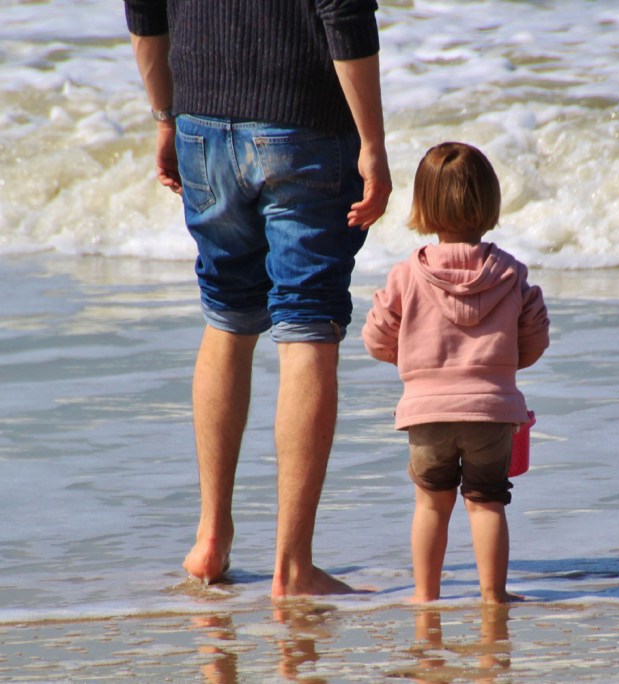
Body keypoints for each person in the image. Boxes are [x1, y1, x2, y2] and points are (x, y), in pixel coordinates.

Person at [123, 0, 392, 597]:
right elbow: (343, 10)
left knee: (226, 316)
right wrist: (372, 140)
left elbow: (143, 9)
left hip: (201, 119)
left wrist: (165, 116)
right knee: (307, 325)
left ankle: (210, 540)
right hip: (303, 121)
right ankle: (293, 567)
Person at [362, 142, 549, 604]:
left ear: (422, 205)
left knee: (431, 502)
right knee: (487, 502)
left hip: (425, 412)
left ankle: (425, 595)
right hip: (492, 409)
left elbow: (376, 337)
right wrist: (502, 368)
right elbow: (534, 338)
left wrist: (415, 366)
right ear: (490, 202)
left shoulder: (408, 274)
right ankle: (494, 596)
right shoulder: (510, 273)